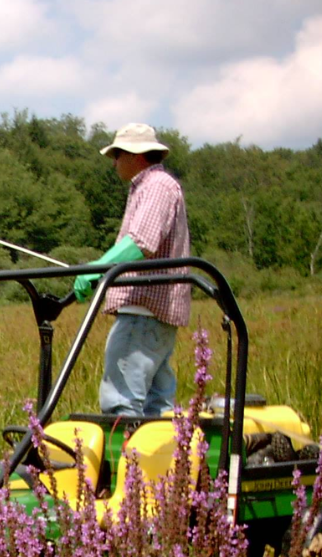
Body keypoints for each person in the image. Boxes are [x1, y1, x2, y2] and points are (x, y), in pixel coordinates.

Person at [74, 123, 190, 417]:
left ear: (135, 155)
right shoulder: (155, 186)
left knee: (121, 401)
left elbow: (142, 241)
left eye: (117, 154)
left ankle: (123, 462)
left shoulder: (156, 187)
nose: (113, 162)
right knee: (158, 406)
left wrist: (98, 268)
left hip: (143, 310)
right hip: (156, 314)